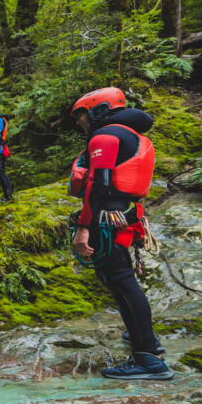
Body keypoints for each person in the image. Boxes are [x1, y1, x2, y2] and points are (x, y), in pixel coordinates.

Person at [67, 87, 171, 380]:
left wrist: (83, 227)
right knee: (122, 280)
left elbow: (98, 185)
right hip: (122, 214)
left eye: (82, 115)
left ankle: (148, 358)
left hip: (104, 219)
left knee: (121, 282)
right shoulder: (132, 136)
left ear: (99, 110)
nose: (80, 122)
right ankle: (143, 339)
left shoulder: (106, 137)